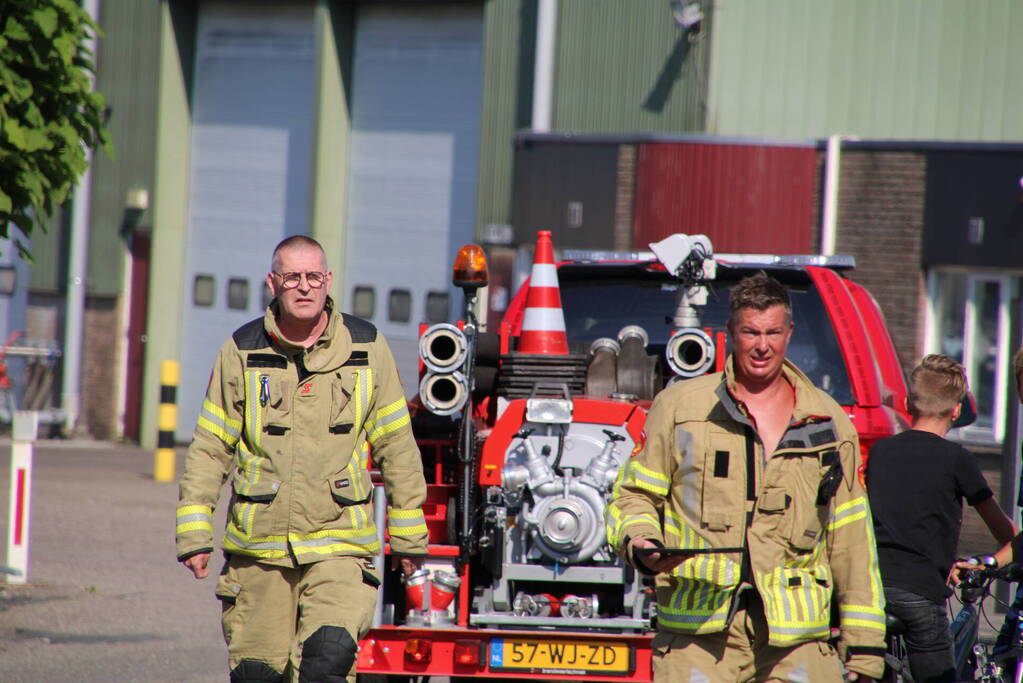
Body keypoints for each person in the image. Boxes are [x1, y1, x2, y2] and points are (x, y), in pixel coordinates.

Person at [606, 272, 885, 683]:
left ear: (789, 332)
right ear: (730, 333)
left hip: (796, 642)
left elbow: (851, 539)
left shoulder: (828, 422)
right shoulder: (680, 407)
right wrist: (643, 544)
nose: (762, 346)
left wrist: (864, 650)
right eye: (751, 332)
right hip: (698, 636)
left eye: (773, 332)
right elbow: (633, 497)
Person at [175, 235, 428, 683]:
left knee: (327, 659)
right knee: (258, 674)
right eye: (292, 277)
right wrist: (195, 534)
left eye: (313, 276)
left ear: (328, 281)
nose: (304, 287)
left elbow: (397, 447)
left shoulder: (367, 349)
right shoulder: (241, 351)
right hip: (259, 548)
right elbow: (211, 448)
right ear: (272, 283)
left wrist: (408, 538)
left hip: (339, 542)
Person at [867, 354, 1016, 683]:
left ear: (907, 403)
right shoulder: (957, 459)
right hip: (921, 595)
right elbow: (1003, 529)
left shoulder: (879, 452)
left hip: (873, 591)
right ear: (957, 410)